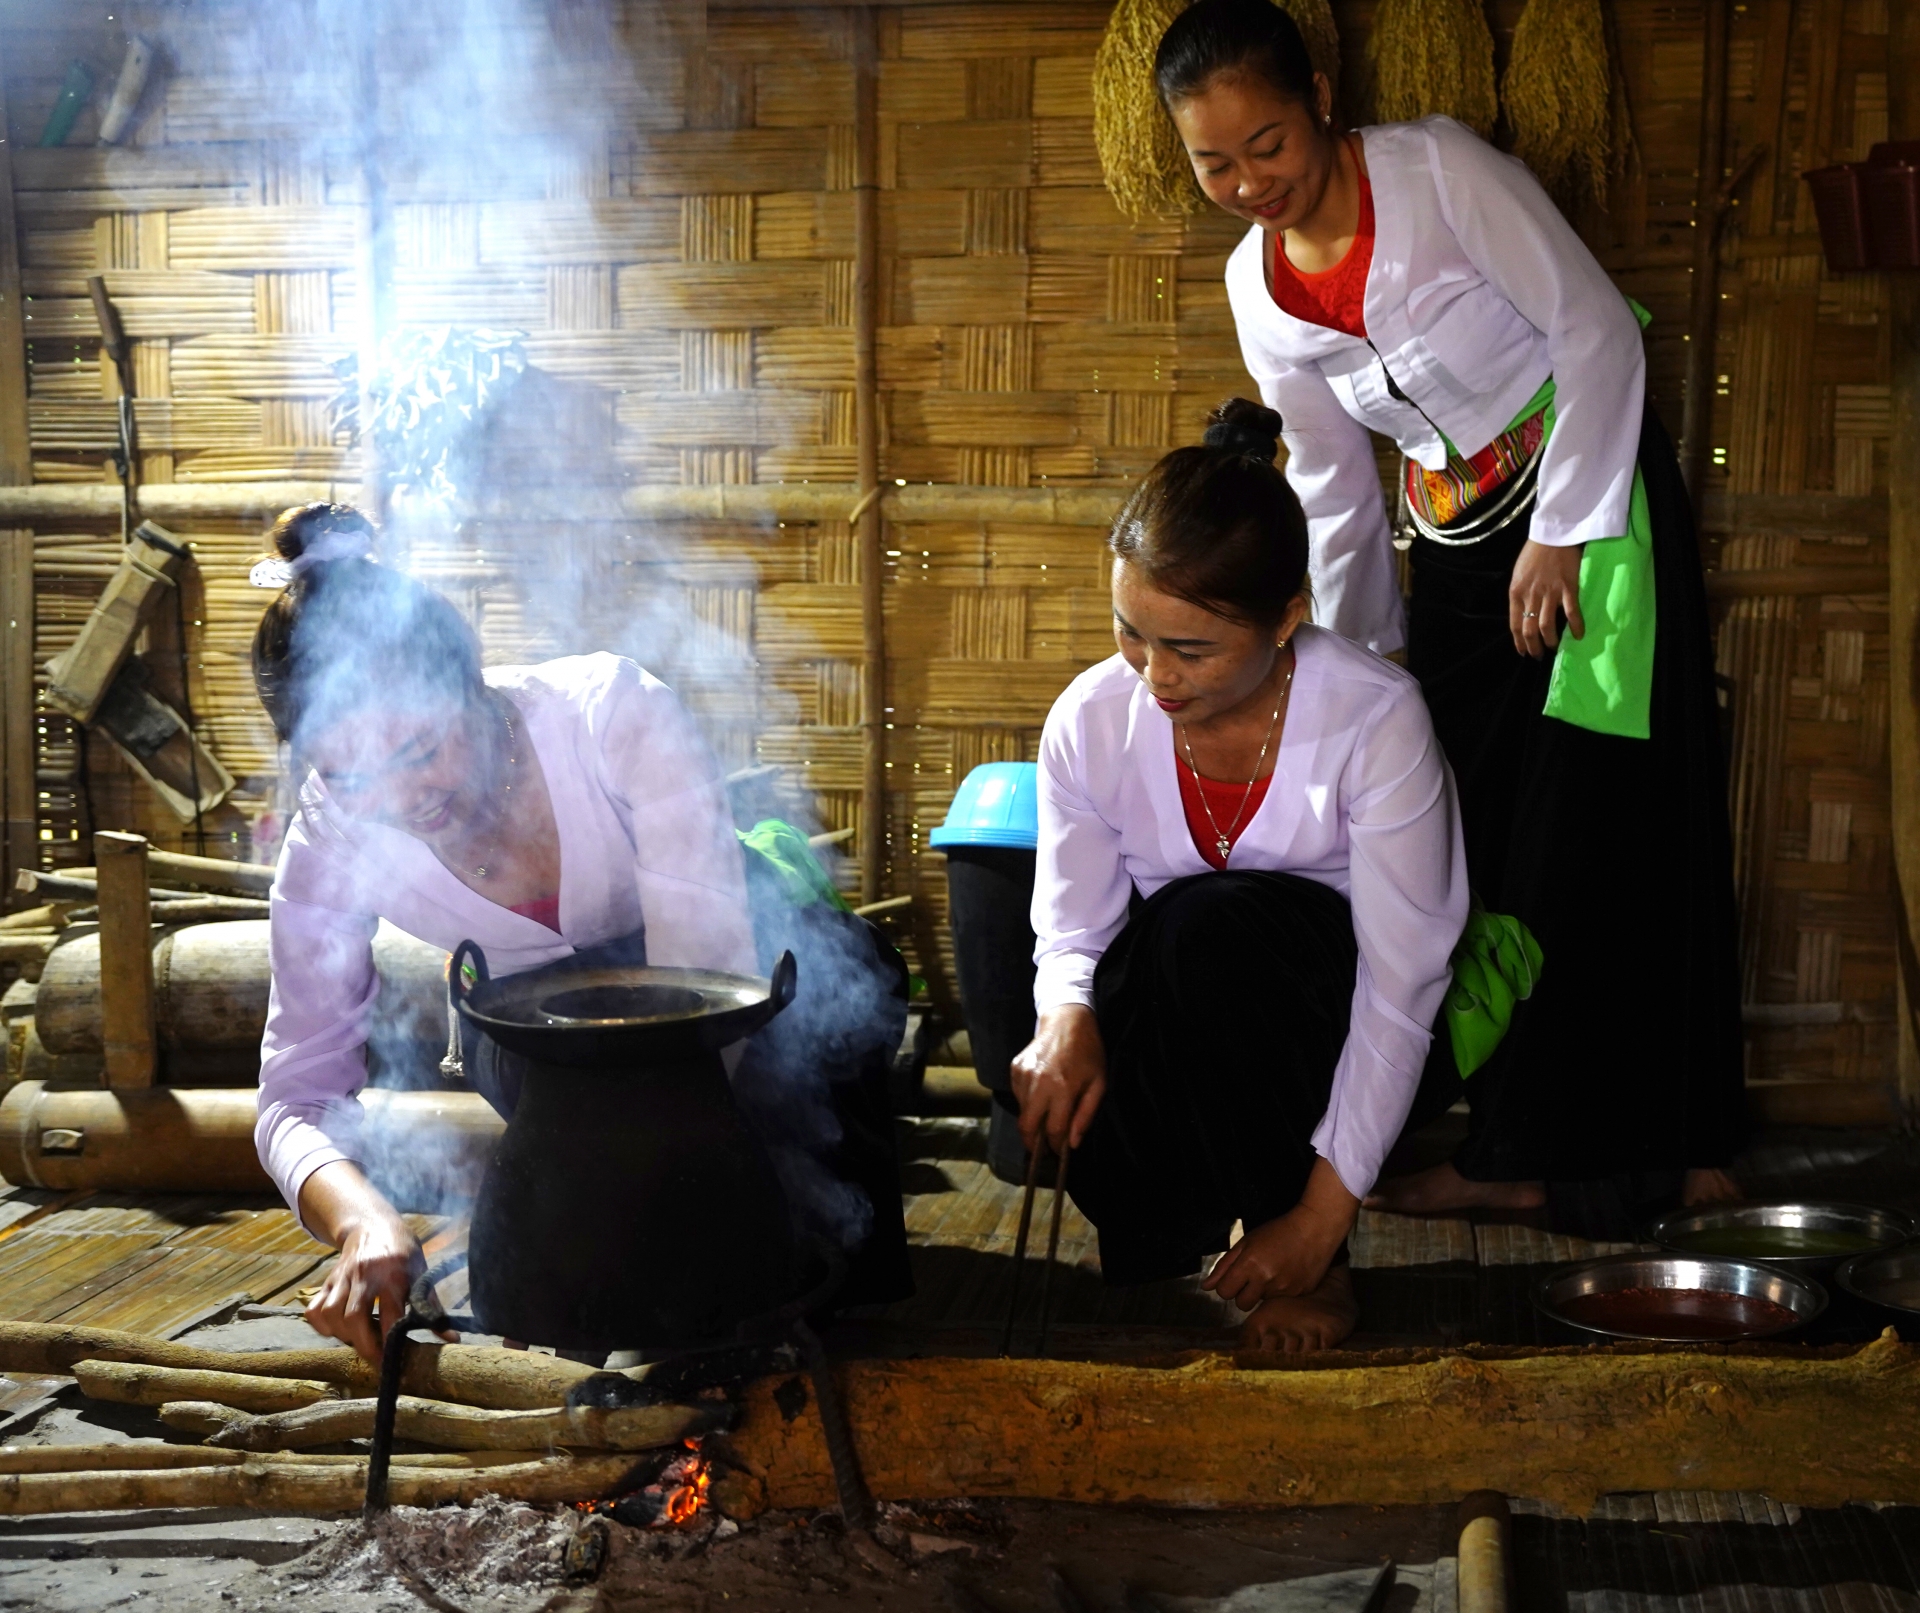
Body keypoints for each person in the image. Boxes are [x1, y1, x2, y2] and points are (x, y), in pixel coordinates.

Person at [1154, 0, 1745, 1233]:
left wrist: (1565, 530)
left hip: (1595, 509)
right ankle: (1518, 1137)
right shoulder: (1256, 287)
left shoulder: (1438, 173)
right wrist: (1364, 656)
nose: (1249, 182)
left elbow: (1592, 325)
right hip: (1461, 547)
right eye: (1215, 163)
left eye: (1267, 143)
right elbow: (1331, 479)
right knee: (1477, 835)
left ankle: (1669, 1141)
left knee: (1605, 818)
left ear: (1319, 98)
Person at [250, 503, 907, 1362]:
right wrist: (362, 1220)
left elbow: (704, 993)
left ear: (471, 685)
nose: (403, 798)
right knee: (601, 1184)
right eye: (351, 775)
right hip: (538, 1030)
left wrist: (646, 1182)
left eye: (420, 750)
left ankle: (812, 1302)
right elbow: (294, 1095)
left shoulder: (611, 716)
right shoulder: (327, 838)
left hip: (727, 978)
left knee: (793, 1103)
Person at [1010, 401, 1468, 1352]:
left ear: (1287, 619)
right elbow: (1075, 929)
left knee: (1212, 925)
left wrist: (1319, 1220)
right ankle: (1193, 1233)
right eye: (1131, 633)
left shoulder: (1375, 719)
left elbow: (1403, 983)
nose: (1153, 676)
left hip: (1347, 1024)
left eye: (1190, 649)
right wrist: (1066, 1017)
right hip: (1200, 1016)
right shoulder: (1088, 720)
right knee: (1120, 998)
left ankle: (1312, 1259)